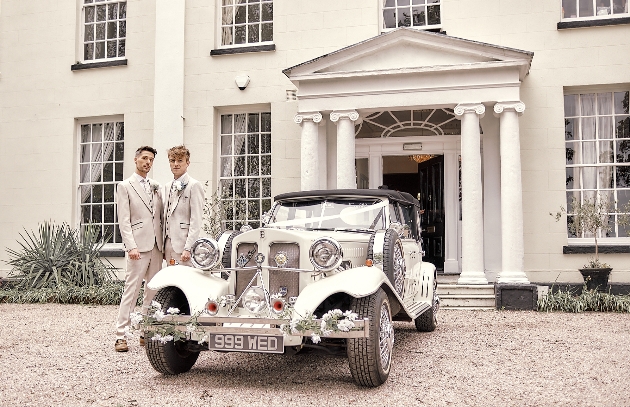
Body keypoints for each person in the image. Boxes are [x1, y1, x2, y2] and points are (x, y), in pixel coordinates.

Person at [114, 146, 164, 352]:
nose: (148, 162)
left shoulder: (156, 186)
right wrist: (130, 246)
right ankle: (121, 336)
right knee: (131, 291)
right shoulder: (125, 186)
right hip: (138, 247)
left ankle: (146, 332)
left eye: (151, 159)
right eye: (144, 158)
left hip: (156, 246)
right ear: (135, 160)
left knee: (152, 292)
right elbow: (124, 220)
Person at [163, 145, 204, 267]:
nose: (176, 164)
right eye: (172, 161)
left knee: (185, 282)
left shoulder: (194, 185)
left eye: (180, 161)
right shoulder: (167, 186)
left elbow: (196, 220)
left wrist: (188, 248)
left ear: (187, 163)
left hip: (184, 246)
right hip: (168, 246)